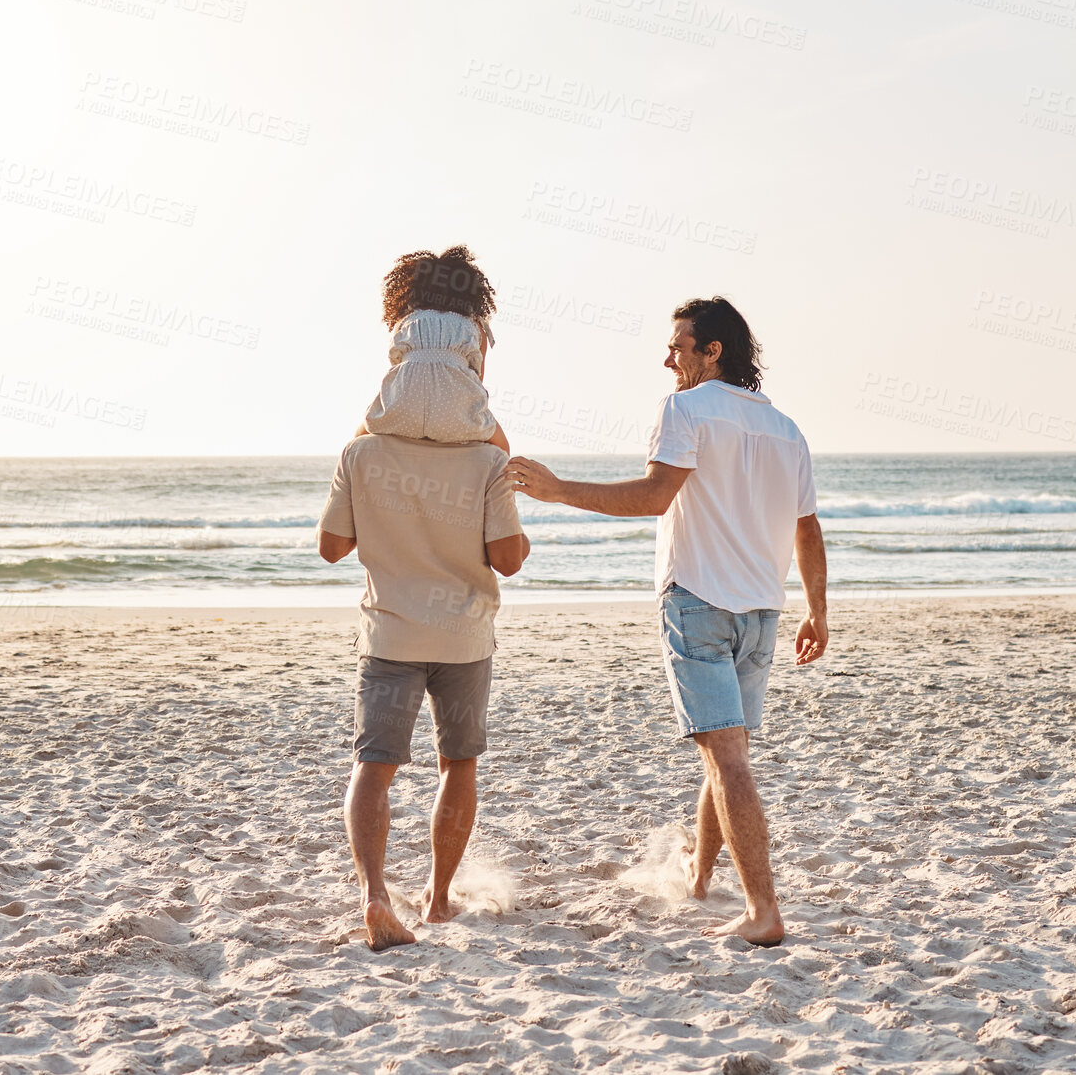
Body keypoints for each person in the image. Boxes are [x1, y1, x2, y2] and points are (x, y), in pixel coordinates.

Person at [505, 296, 827, 946]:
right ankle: (702, 879)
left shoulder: (685, 409)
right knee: (725, 750)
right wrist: (819, 609)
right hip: (763, 610)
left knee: (728, 757)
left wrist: (559, 489)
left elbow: (655, 496)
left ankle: (763, 910)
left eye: (679, 345)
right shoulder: (786, 428)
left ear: (714, 351)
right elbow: (807, 528)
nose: (668, 358)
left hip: (699, 603)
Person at [318, 246, 530, 951]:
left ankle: (376, 897)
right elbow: (508, 559)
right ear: (471, 346)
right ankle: (438, 900)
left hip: (390, 637)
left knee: (372, 769)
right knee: (457, 765)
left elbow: (332, 547)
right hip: (463, 639)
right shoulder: (489, 459)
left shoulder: (362, 453)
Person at [354, 244, 511, 453]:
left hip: (402, 408)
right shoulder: (474, 325)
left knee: (357, 441)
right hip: (454, 413)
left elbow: (397, 366)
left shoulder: (407, 321)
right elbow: (477, 379)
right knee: (502, 448)